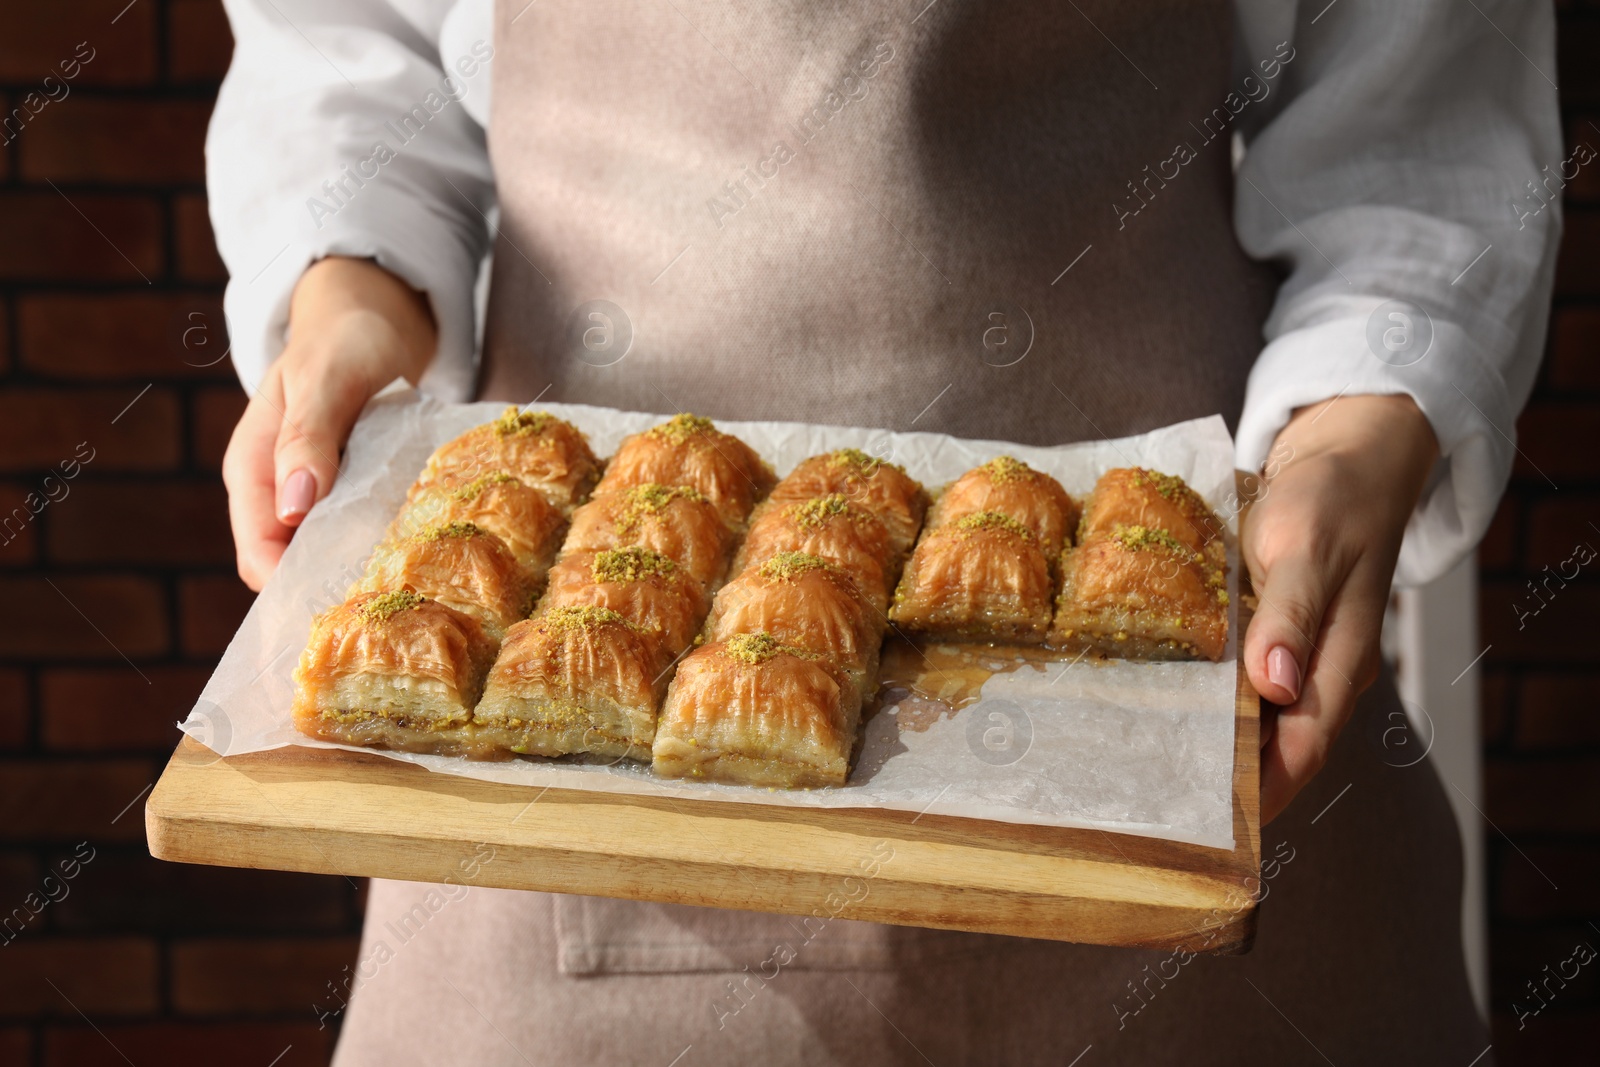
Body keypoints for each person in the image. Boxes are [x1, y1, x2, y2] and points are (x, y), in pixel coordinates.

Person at [209, 0, 1560, 1062]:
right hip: (554, 857)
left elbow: (1420, 148)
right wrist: (349, 302)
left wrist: (1348, 442)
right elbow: (351, 69)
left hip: (1203, 740)